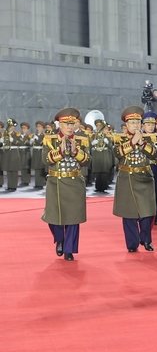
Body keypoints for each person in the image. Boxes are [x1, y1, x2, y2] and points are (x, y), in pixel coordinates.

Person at [41, 108, 90, 261]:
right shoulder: (50, 139)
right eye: (66, 124)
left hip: (75, 183)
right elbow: (45, 160)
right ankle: (59, 239)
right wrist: (60, 152)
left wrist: (76, 152)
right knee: (53, 217)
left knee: (73, 218)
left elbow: (87, 161)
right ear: (60, 125)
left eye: (72, 124)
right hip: (56, 182)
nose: (69, 127)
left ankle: (69, 249)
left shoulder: (82, 139)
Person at [112, 106, 157, 253]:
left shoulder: (149, 138)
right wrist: (132, 143)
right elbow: (118, 153)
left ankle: (146, 239)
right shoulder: (119, 138)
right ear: (126, 125)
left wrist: (142, 143)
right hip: (127, 178)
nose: (136, 126)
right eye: (132, 123)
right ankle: (132, 244)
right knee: (129, 213)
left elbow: (155, 154)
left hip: (145, 178)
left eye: (138, 123)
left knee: (148, 212)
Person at [91, 118, 115, 193]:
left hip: (105, 157)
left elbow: (111, 147)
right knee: (97, 173)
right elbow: (88, 147)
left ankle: (104, 186)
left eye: (100, 126)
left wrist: (107, 142)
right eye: (97, 126)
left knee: (104, 173)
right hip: (97, 157)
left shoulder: (107, 137)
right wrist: (92, 143)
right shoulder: (93, 136)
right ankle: (98, 187)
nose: (99, 127)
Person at [1, 119, 21, 191]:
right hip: (8, 153)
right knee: (9, 170)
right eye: (10, 126)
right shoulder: (6, 134)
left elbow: (20, 143)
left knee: (14, 171)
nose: (11, 127)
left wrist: (13, 140)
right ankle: (10, 186)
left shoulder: (17, 134)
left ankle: (14, 186)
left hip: (14, 153)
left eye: (12, 126)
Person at [31, 121, 46, 189]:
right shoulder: (35, 134)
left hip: (40, 152)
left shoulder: (44, 135)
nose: (38, 128)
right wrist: (31, 140)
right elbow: (30, 144)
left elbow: (41, 143)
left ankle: (41, 184)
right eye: (37, 127)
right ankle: (37, 183)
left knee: (41, 168)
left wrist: (37, 138)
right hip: (35, 153)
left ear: (43, 128)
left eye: (40, 127)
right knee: (36, 168)